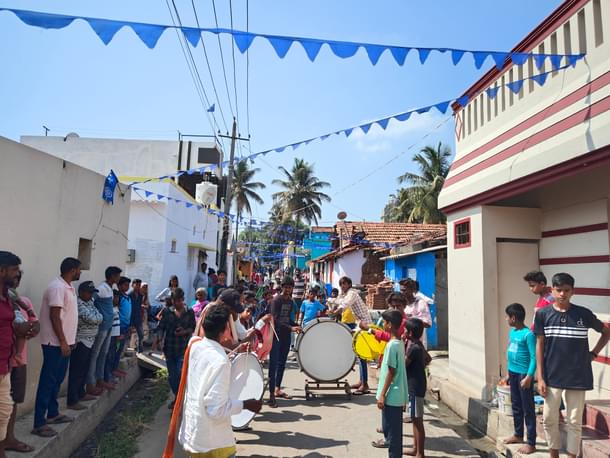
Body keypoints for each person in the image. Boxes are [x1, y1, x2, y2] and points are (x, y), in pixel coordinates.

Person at [535, 272, 610, 458]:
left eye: (566, 290)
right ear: (552, 290)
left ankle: (571, 456)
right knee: (549, 419)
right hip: (552, 375)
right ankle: (554, 454)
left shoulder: (583, 314)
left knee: (574, 422)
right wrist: (540, 377)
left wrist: (593, 353)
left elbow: (606, 332)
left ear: (572, 291)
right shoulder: (543, 315)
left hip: (578, 375)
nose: (562, 294)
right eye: (558, 290)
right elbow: (539, 345)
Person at [177, 304, 263, 457]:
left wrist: (236, 350)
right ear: (225, 329)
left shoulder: (194, 344)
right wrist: (246, 404)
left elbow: (208, 363)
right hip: (213, 441)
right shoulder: (220, 362)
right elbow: (216, 410)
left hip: (193, 432)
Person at [32, 257, 81, 437]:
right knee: (48, 381)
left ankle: (52, 413)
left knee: (57, 379)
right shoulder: (57, 287)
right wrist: (62, 341)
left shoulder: (68, 287)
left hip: (64, 342)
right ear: (72, 270)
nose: (80, 272)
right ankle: (39, 422)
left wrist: (69, 339)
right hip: (54, 343)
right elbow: (54, 316)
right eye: (79, 269)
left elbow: (67, 316)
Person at [0, 253, 38, 455]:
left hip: (10, 362)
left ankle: (6, 443)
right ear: (2, 271)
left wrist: (28, 325)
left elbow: (24, 325)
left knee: (7, 407)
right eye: (14, 270)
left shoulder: (10, 298)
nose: (17, 275)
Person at [371, 309, 408, 457]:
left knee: (393, 436)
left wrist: (382, 395)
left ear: (390, 325)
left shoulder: (392, 346)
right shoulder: (398, 343)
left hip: (391, 395)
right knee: (394, 432)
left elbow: (391, 372)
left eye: (385, 322)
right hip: (396, 394)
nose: (383, 324)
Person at [502, 303, 537, 455]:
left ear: (514, 318)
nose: (506, 319)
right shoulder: (512, 332)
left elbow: (534, 357)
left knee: (528, 408)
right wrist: (508, 374)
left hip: (524, 375)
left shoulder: (528, 334)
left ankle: (531, 442)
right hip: (513, 373)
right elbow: (510, 350)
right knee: (516, 405)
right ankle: (518, 434)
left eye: (507, 316)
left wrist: (529, 376)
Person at [67, 281, 103, 411]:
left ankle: (81, 393)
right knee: (76, 371)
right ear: (81, 292)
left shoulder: (90, 303)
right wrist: (96, 319)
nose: (91, 295)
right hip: (81, 341)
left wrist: (97, 318)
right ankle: (72, 399)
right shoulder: (78, 303)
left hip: (90, 341)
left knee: (84, 369)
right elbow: (92, 319)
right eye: (89, 292)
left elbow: (100, 316)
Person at [86, 266, 122, 396]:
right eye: (117, 276)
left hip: (108, 326)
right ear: (112, 276)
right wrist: (99, 317)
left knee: (103, 353)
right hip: (101, 327)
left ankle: (99, 379)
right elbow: (91, 302)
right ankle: (91, 382)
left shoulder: (110, 289)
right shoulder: (101, 288)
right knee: (95, 354)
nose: (118, 278)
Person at [158, 288, 195, 409]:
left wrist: (184, 331)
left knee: (180, 373)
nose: (177, 303)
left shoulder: (189, 312)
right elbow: (161, 327)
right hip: (169, 348)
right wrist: (159, 339)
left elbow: (192, 328)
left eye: (179, 300)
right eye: (175, 301)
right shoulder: (167, 312)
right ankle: (177, 398)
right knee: (172, 377)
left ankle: (182, 399)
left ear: (183, 300)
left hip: (183, 348)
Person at [335, 276, 372, 395]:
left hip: (365, 326)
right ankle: (361, 381)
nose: (342, 286)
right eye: (341, 284)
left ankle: (365, 384)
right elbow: (339, 301)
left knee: (362, 356)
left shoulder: (352, 293)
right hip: (359, 325)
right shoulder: (346, 294)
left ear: (349, 284)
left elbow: (344, 304)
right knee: (359, 355)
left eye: (344, 284)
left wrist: (336, 311)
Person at [268, 277, 301, 408]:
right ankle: (271, 395)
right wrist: (291, 327)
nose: (288, 289)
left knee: (282, 363)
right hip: (275, 335)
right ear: (282, 287)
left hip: (286, 335)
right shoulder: (276, 300)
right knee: (273, 364)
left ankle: (277, 388)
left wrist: (296, 325)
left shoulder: (291, 302)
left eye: (290, 287)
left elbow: (287, 319)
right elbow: (274, 320)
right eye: (286, 287)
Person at [404, 318, 427, 458]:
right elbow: (428, 359)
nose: (404, 332)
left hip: (415, 387)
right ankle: (415, 448)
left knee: (418, 421)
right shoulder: (418, 345)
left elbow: (404, 365)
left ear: (410, 333)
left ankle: (420, 453)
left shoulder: (413, 348)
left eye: (406, 330)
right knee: (414, 418)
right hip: (418, 385)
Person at [401, 279, 432, 347]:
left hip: (416, 344)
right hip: (402, 343)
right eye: (401, 290)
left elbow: (428, 324)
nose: (402, 293)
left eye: (404, 290)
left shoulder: (420, 304)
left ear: (412, 290)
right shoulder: (401, 304)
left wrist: (409, 320)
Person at [104, 291, 122, 385]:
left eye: (117, 298)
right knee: (109, 356)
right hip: (110, 337)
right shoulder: (110, 310)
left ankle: (110, 374)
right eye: (115, 297)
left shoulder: (116, 308)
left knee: (112, 355)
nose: (116, 299)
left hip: (115, 336)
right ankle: (107, 377)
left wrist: (118, 334)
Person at [129, 279, 144, 353]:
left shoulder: (141, 296)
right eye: (136, 285)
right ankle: (126, 349)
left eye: (139, 285)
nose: (138, 286)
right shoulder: (129, 295)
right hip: (130, 317)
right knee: (129, 334)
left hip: (138, 317)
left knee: (141, 334)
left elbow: (140, 306)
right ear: (132, 285)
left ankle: (140, 349)